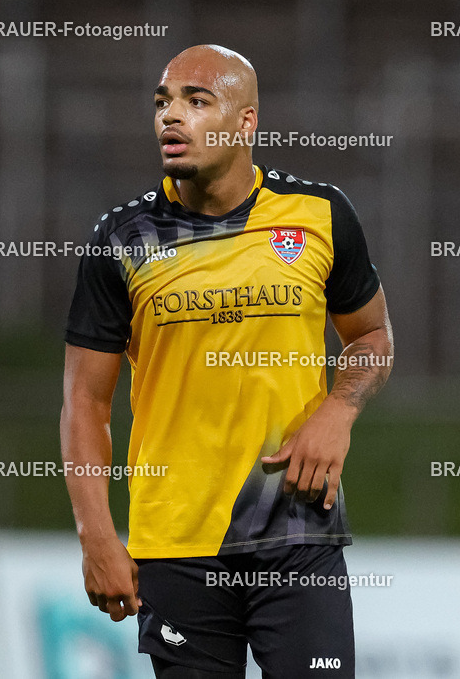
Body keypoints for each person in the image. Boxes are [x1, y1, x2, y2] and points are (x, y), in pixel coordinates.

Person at [61, 44, 393, 678]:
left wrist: (337, 412)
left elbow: (372, 336)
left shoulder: (319, 215)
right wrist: (96, 535)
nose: (170, 117)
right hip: (176, 548)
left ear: (246, 124)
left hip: (297, 534)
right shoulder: (122, 240)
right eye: (162, 102)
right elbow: (85, 401)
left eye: (196, 100)